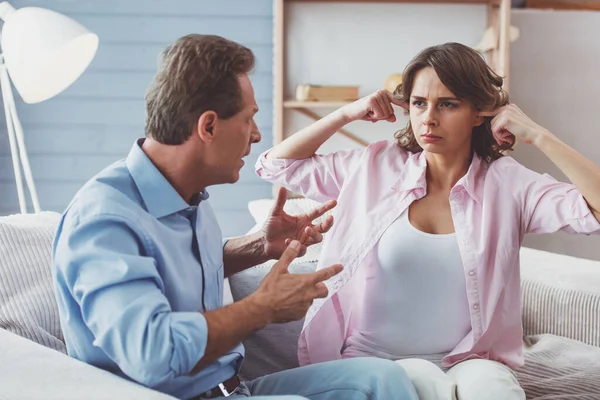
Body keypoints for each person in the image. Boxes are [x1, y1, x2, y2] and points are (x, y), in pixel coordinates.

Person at [51, 34, 419, 400]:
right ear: (208, 126)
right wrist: (262, 308)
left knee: (381, 380)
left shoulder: (188, 195)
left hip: (232, 388)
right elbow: (152, 355)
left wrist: (260, 246)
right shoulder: (103, 220)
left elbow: (176, 272)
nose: (257, 135)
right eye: (249, 119)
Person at [255, 42, 600, 400]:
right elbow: (275, 165)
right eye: (419, 103)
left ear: (479, 112)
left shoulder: (508, 184)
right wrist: (347, 115)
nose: (428, 118)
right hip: (374, 361)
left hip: (469, 358)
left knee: (493, 388)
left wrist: (540, 136)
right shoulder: (374, 166)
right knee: (419, 378)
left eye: (447, 104)